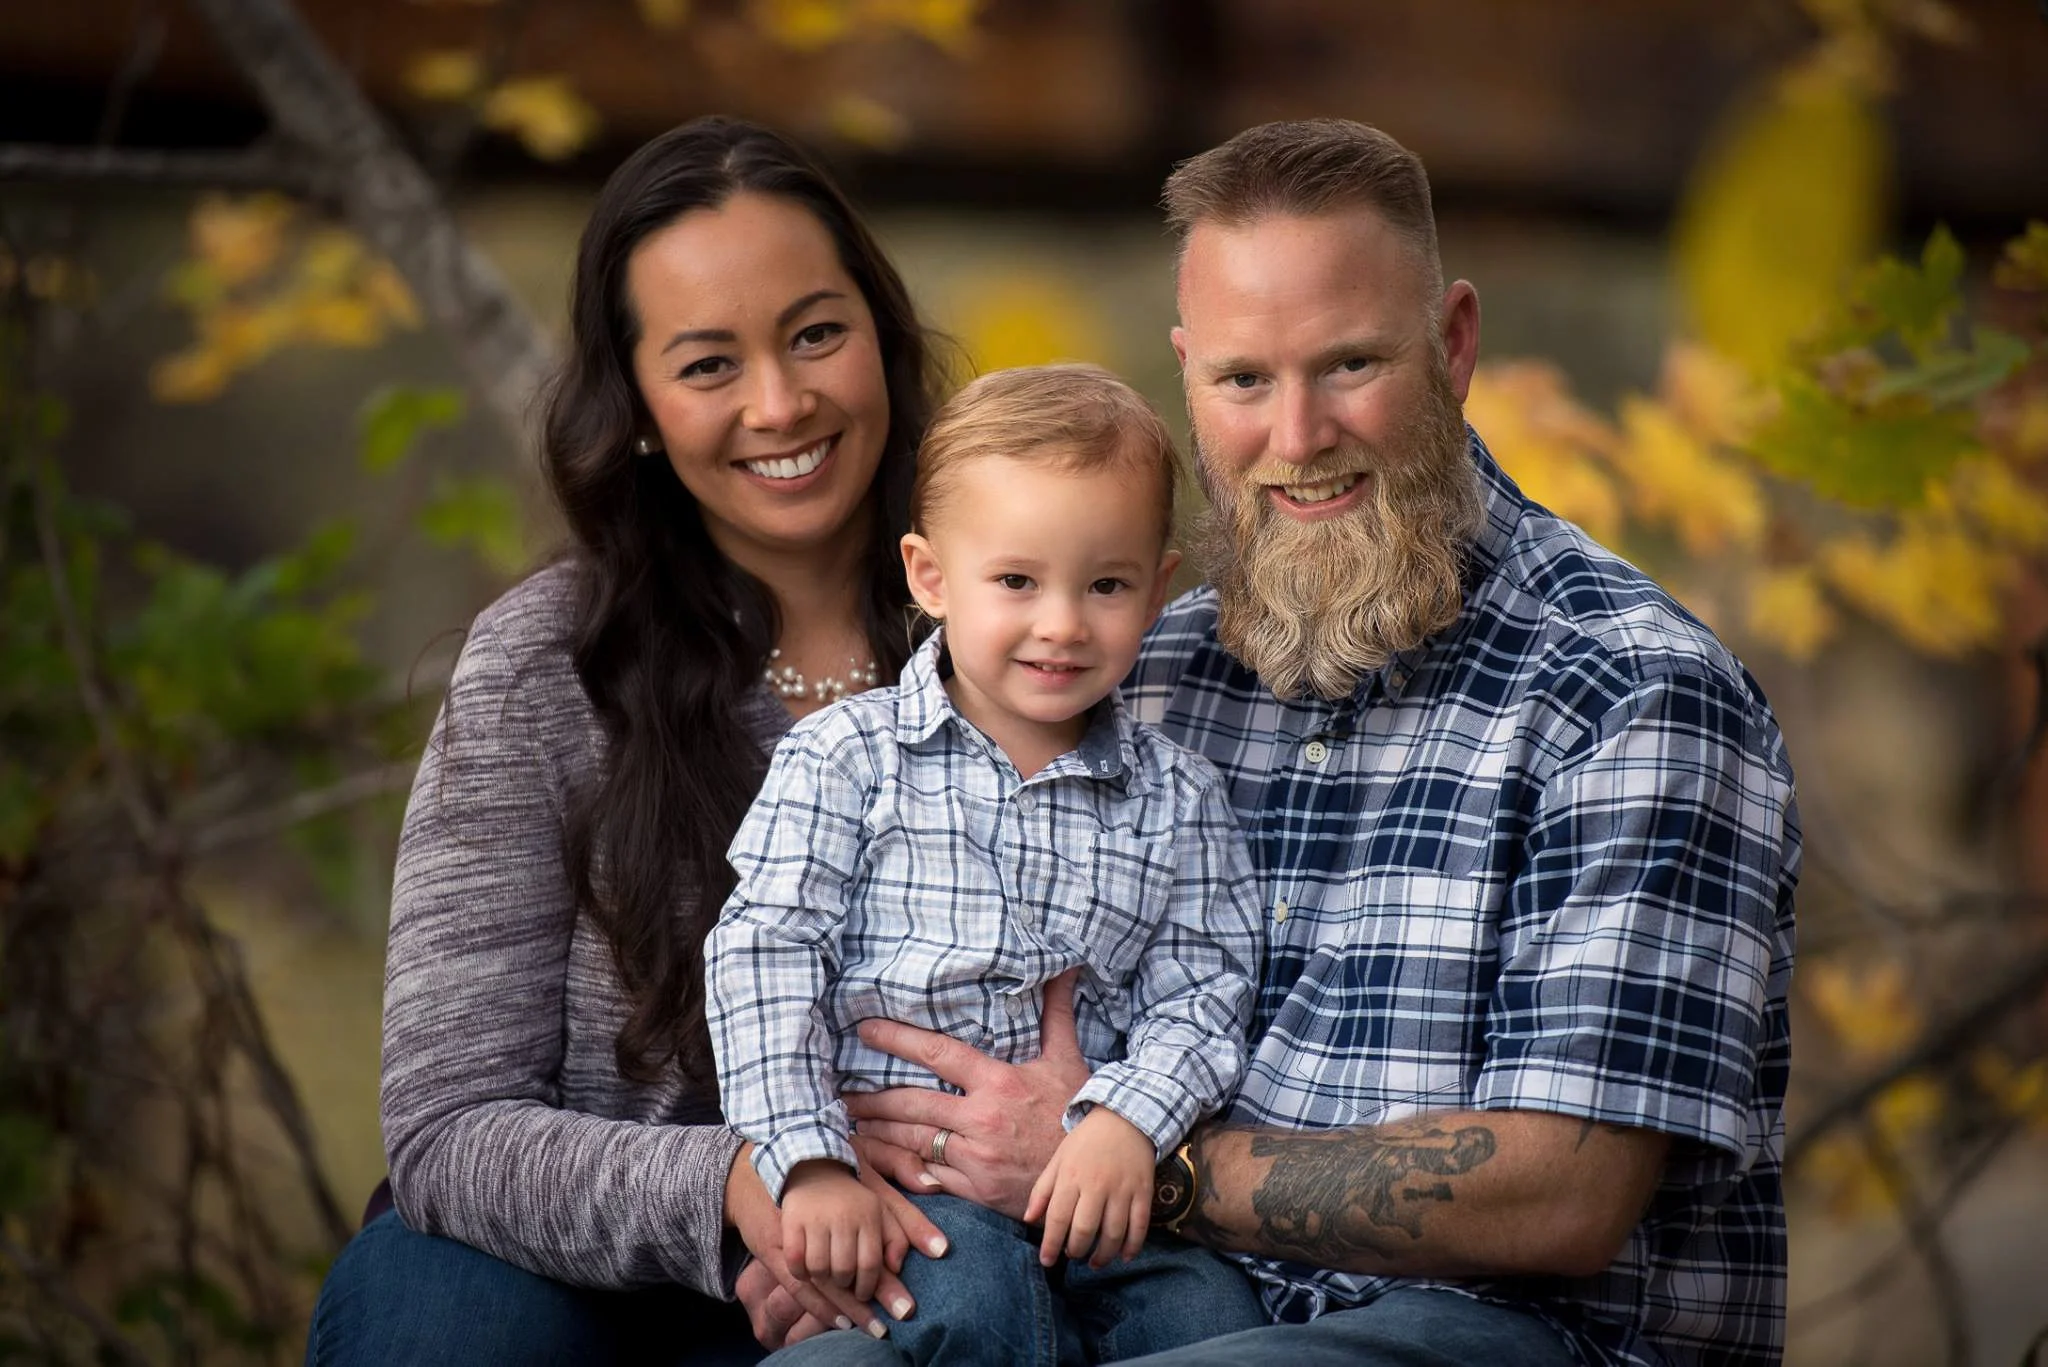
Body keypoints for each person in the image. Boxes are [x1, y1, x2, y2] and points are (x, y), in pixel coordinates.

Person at [767, 120, 1800, 1367]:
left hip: (1500, 1332)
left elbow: (1563, 1194)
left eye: (1350, 363)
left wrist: (1120, 1155)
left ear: (1454, 343)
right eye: (1244, 380)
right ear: (1188, 372)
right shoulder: (1143, 668)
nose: (1297, 435)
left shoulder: (1629, 691)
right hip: (1127, 1281)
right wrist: (850, 1211)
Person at [304, 116, 963, 1366]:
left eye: (816, 332)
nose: (781, 402)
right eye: (709, 364)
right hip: (574, 1284)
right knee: (444, 1322)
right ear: (642, 407)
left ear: (880, 334)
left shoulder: (1027, 623)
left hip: (926, 1250)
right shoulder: (547, 665)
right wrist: (742, 1189)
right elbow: (448, 1127)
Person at [706, 364, 1269, 1365]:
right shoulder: (846, 758)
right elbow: (764, 953)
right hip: (911, 1189)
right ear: (929, 576)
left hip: (1090, 1179)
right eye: (1015, 580)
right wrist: (806, 1160)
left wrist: (1126, 1121)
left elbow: (1205, 991)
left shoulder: (1179, 796)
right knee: (973, 1312)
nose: (1060, 623)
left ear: (1157, 588)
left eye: (1104, 584)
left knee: (1209, 1318)